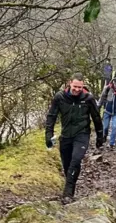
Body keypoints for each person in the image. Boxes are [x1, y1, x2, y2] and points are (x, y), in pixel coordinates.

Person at [45, 73, 104, 203]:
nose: (77, 89)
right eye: (75, 86)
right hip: (66, 136)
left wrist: (100, 135)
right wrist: (48, 134)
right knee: (67, 166)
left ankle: (68, 193)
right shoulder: (60, 97)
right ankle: (71, 185)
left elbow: (96, 117)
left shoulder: (88, 98)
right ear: (70, 83)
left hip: (82, 135)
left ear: (83, 86)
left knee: (75, 160)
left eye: (80, 87)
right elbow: (51, 116)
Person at [97, 76, 116, 150]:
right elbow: (102, 98)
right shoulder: (107, 88)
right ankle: (104, 136)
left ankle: (112, 143)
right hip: (107, 111)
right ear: (113, 82)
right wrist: (98, 107)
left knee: (114, 127)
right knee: (105, 127)